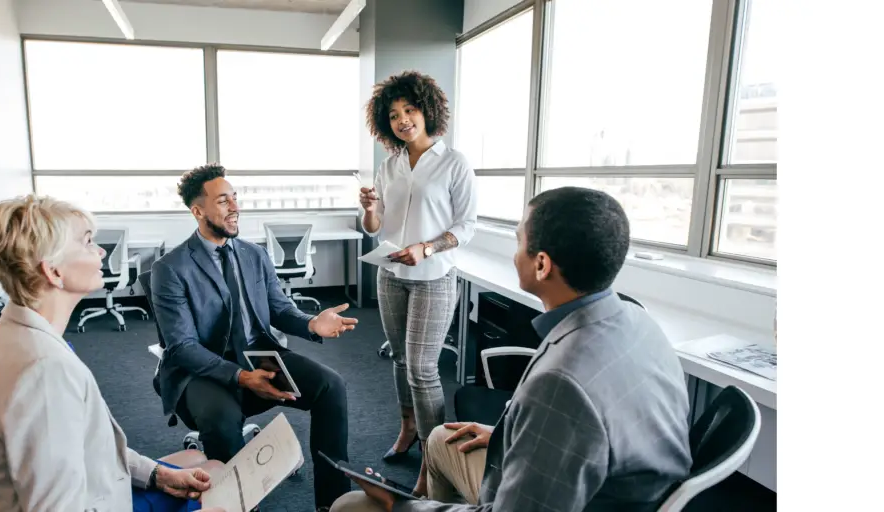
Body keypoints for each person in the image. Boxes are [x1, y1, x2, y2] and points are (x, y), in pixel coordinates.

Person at [333, 187, 693, 511]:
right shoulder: (637, 319)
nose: (514, 252)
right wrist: (509, 436)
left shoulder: (561, 383)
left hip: (578, 500)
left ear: (541, 264)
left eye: (519, 241)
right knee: (442, 438)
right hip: (612, 482)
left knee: (351, 505)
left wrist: (403, 507)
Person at [0, 195, 227, 512]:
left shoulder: (12, 333)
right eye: (88, 242)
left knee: (200, 464)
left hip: (94, 487)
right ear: (54, 272)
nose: (101, 252)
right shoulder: (44, 370)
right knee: (220, 489)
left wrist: (159, 476)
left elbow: (89, 448)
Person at [150, 164, 359, 512]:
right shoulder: (170, 269)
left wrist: (311, 325)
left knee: (331, 387)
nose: (234, 207)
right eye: (223, 200)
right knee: (221, 421)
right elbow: (182, 347)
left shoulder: (253, 254)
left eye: (235, 198)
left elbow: (279, 310)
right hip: (199, 370)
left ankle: (334, 504)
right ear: (197, 210)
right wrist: (242, 378)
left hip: (256, 354)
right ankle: (239, 507)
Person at [360, 70, 478, 496]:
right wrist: (371, 208)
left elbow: (467, 226)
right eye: (393, 114)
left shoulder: (453, 163)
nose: (402, 120)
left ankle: (435, 459)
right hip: (390, 274)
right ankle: (408, 427)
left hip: (433, 277)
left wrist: (427, 248)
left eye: (409, 110)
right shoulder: (389, 165)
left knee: (424, 369)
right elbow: (375, 227)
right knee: (399, 360)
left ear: (428, 111)